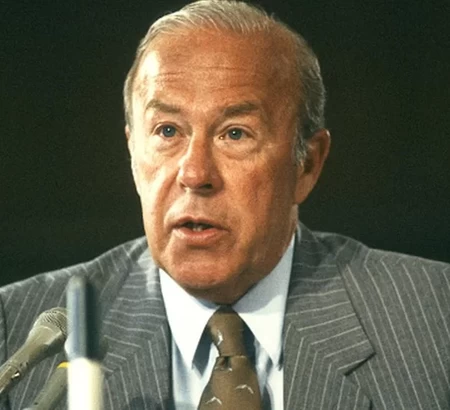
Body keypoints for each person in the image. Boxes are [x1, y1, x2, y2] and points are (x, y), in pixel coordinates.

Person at [1, 0, 449, 409]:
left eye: (235, 133)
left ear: (308, 164)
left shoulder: (435, 321)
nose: (195, 174)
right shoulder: (14, 333)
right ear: (133, 153)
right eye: (167, 131)